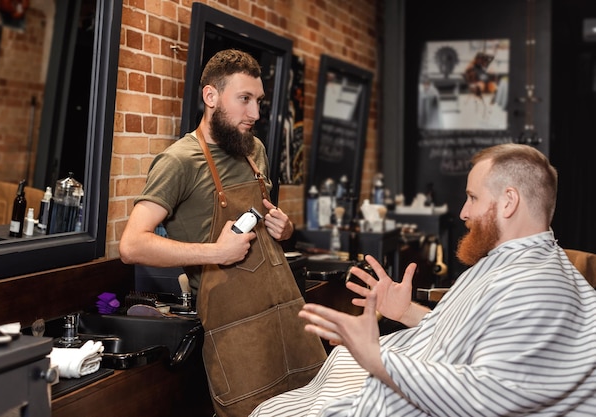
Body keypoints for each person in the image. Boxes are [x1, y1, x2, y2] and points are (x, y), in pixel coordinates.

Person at [250, 143, 596, 416]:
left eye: (473, 197)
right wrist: (407, 313)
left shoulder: (540, 289)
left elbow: (484, 396)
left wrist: (375, 356)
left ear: (508, 202)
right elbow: (478, 339)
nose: (463, 212)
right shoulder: (511, 264)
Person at [120, 49, 325, 417]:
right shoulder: (179, 161)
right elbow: (132, 244)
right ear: (211, 96)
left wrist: (285, 227)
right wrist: (216, 253)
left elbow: (261, 226)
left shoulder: (254, 151)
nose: (256, 114)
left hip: (289, 318)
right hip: (237, 334)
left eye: (258, 101)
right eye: (244, 99)